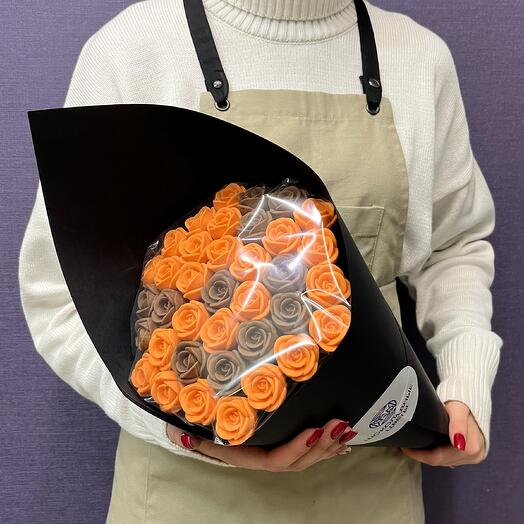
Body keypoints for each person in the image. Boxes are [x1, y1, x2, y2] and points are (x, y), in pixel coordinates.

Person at [18, 1, 502, 522]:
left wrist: (465, 379)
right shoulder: (136, 48)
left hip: (370, 485)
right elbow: (58, 297)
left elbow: (454, 247)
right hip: (184, 498)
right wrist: (185, 430)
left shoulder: (418, 59)